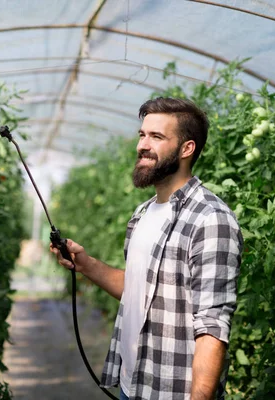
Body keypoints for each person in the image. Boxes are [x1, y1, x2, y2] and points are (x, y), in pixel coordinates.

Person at [50, 97, 243, 400]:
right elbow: (137, 288)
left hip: (171, 392)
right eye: (142, 134)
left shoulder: (210, 219)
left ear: (186, 148)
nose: (142, 145)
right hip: (133, 383)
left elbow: (213, 326)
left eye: (157, 137)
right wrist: (86, 264)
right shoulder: (142, 213)